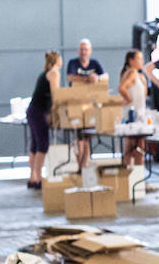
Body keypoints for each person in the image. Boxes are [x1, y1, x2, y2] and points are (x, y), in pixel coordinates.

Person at [65, 39, 105, 170]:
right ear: (79, 51)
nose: (84, 52)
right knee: (79, 138)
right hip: (76, 105)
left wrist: (97, 78)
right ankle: (79, 166)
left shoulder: (95, 63)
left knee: (87, 137)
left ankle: (85, 165)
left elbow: (104, 77)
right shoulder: (73, 63)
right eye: (81, 49)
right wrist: (88, 79)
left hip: (91, 105)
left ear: (90, 51)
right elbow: (70, 78)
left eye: (86, 49)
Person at [25, 51, 60, 189]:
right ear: (57, 60)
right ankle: (38, 177)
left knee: (35, 145)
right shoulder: (54, 73)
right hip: (39, 112)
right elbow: (56, 94)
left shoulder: (45, 72)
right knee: (42, 144)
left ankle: (32, 177)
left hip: (33, 110)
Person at [118, 49, 156, 167]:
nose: (142, 61)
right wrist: (129, 100)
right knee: (130, 147)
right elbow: (122, 88)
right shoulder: (130, 73)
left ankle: (138, 176)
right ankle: (128, 176)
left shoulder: (140, 76)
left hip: (140, 114)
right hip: (132, 116)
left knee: (140, 148)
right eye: (139, 59)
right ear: (131, 60)